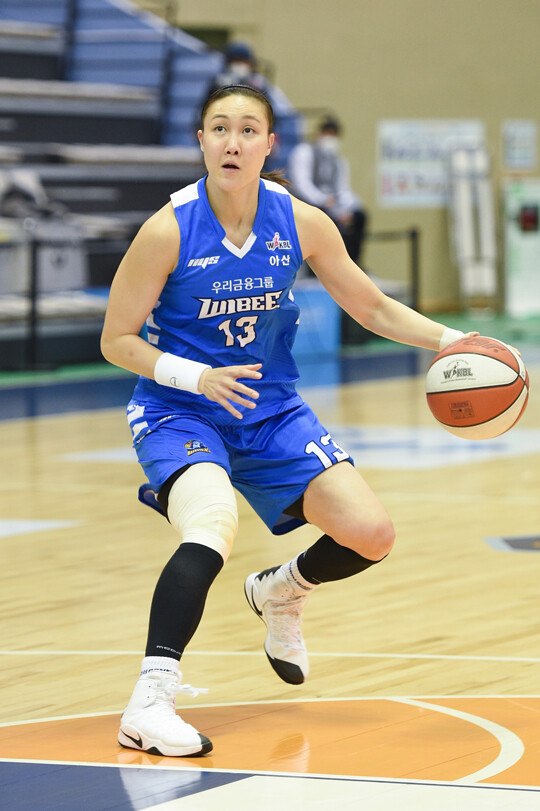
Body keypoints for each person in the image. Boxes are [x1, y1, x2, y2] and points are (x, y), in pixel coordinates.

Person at [100, 84, 475, 758]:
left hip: (271, 409)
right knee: (213, 527)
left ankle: (281, 591)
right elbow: (116, 340)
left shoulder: (300, 221)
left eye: (248, 130)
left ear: (270, 144)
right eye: (220, 128)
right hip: (181, 409)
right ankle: (149, 701)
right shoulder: (167, 229)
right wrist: (196, 376)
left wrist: (455, 341)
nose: (233, 142)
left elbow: (372, 307)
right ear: (201, 141)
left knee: (372, 534)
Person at [288, 115, 368, 266]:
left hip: (332, 204)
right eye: (328, 134)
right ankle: (318, 266)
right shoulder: (304, 152)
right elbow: (302, 185)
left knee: (360, 215)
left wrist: (345, 209)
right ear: (319, 133)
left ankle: (353, 262)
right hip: (310, 202)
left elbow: (343, 189)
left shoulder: (339, 161)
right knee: (323, 216)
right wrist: (324, 200)